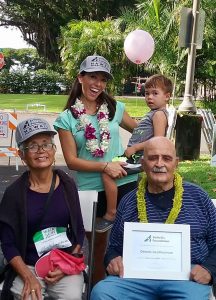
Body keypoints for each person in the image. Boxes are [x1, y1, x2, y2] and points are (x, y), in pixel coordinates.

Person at [91, 136, 216, 300]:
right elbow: (113, 247)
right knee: (102, 293)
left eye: (166, 158)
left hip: (186, 276)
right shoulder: (129, 201)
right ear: (143, 164)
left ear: (176, 163)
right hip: (135, 277)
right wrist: (113, 259)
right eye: (152, 158)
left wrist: (208, 269)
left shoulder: (198, 197)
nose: (159, 164)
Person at [53, 55, 138, 284]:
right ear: (80, 77)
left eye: (102, 79)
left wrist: (130, 153)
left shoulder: (114, 108)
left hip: (126, 182)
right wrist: (104, 166)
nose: (97, 84)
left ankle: (128, 290)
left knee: (132, 242)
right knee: (98, 247)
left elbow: (140, 131)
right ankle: (97, 291)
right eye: (92, 77)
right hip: (92, 190)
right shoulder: (67, 118)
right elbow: (71, 161)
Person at [0, 117, 85, 300]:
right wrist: (28, 276)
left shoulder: (67, 184)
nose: (41, 151)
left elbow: (78, 231)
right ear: (22, 155)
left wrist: (66, 266)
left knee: (72, 296)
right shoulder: (14, 194)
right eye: (32, 146)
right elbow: (8, 244)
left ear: (53, 150)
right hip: (28, 266)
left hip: (63, 262)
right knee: (30, 297)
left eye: (46, 144)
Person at [100, 74, 172, 230]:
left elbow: (157, 141)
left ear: (167, 96)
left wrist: (135, 148)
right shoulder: (153, 113)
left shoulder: (159, 114)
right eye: (147, 93)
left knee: (107, 172)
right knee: (111, 167)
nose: (149, 97)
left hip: (139, 158)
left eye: (155, 93)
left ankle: (111, 213)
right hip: (135, 156)